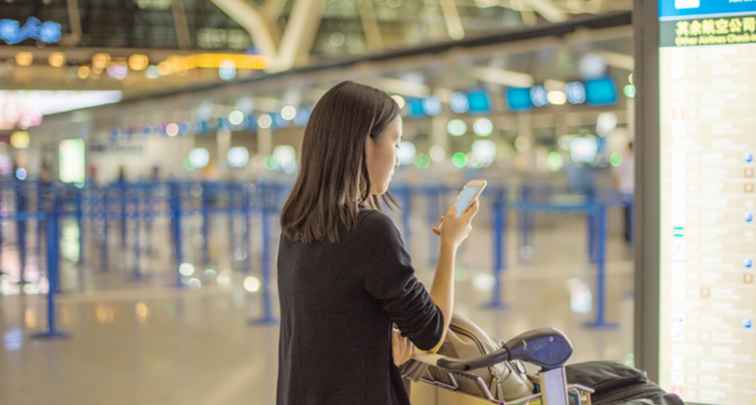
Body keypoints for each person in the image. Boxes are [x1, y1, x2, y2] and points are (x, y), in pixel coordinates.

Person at [277, 81, 479, 405]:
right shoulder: (369, 230)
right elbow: (431, 332)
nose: (397, 157)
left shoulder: (295, 225)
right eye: (395, 142)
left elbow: (326, 335)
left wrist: (377, 348)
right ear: (364, 144)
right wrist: (450, 245)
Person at [613, 140, 634, 243]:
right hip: (634, 191)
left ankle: (628, 236)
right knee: (634, 215)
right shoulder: (638, 160)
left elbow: (616, 175)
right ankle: (632, 235)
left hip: (625, 191)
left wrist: (617, 189)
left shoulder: (623, 160)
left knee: (627, 214)